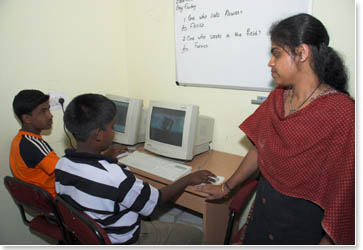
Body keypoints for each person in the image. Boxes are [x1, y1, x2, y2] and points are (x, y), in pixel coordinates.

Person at [197, 13, 354, 245]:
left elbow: (346, 197)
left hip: (304, 227)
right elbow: (259, 150)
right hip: (264, 215)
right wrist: (226, 187)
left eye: (276, 54)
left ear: (302, 53)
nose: (270, 62)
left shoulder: (343, 113)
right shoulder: (278, 99)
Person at [55, 93, 216, 245]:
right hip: (127, 240)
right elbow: (157, 200)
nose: (114, 131)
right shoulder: (115, 177)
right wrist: (187, 179)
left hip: (95, 238)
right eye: (112, 127)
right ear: (99, 135)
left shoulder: (62, 165)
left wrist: (106, 155)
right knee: (196, 234)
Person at [10, 89, 59, 197]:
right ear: (27, 118)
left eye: (49, 109)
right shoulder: (34, 144)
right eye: (43, 111)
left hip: (38, 200)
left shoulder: (19, 140)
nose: (50, 115)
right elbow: (64, 171)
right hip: (55, 200)